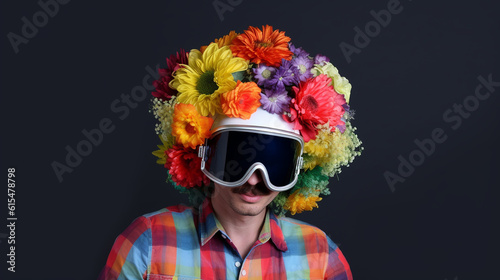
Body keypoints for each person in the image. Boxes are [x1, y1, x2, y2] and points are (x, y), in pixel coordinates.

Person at [98, 25, 362, 280]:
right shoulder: (148, 241)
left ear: (299, 167)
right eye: (237, 159)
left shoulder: (320, 254)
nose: (253, 180)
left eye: (274, 162)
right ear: (204, 154)